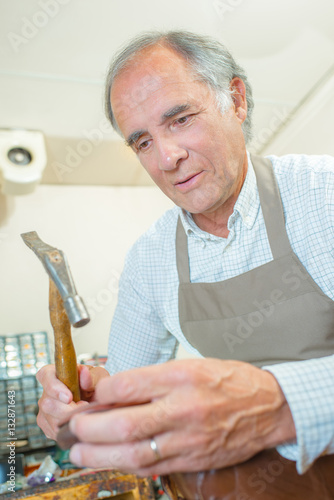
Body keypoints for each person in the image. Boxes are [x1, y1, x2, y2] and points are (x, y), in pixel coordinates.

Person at [36, 30, 334, 486]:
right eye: (143, 143)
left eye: (179, 120)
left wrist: (278, 407)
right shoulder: (148, 261)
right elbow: (125, 387)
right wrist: (90, 410)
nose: (167, 158)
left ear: (235, 100)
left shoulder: (323, 195)